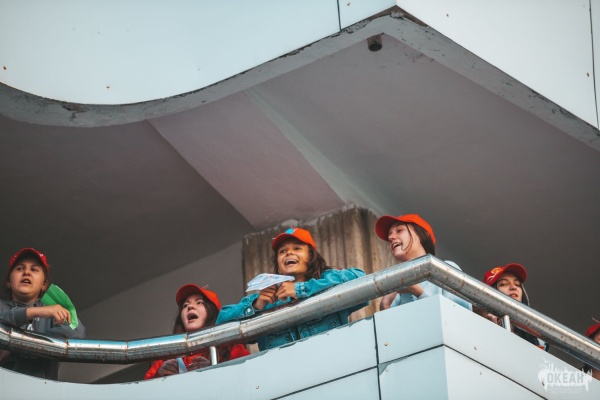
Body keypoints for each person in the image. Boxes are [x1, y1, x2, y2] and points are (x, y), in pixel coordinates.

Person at [216, 227, 367, 351]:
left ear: (311, 256)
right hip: (283, 375)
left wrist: (301, 289)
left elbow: (360, 277)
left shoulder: (328, 278)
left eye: (297, 248)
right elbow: (221, 321)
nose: (289, 252)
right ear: (278, 263)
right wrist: (257, 305)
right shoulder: (264, 299)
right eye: (282, 251)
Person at [0, 247, 85, 380]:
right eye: (20, 268)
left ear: (44, 284)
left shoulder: (54, 311)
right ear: (8, 282)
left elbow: (77, 332)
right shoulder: (2, 307)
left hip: (42, 389)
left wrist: (17, 347)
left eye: (34, 269)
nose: (26, 272)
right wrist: (33, 312)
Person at [144, 284, 249, 379]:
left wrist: (213, 370)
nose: (190, 307)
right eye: (185, 305)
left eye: (199, 302)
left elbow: (248, 376)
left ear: (211, 312)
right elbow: (146, 389)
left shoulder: (230, 347)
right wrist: (160, 375)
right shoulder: (168, 353)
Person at [375, 214, 472, 311]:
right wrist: (385, 305)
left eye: (399, 230)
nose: (390, 237)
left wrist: (417, 292)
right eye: (389, 235)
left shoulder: (445, 269)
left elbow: (461, 316)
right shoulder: (396, 291)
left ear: (421, 235)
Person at [481, 263, 548, 351]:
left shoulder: (536, 338)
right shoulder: (479, 324)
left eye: (517, 284)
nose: (513, 287)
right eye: (503, 284)